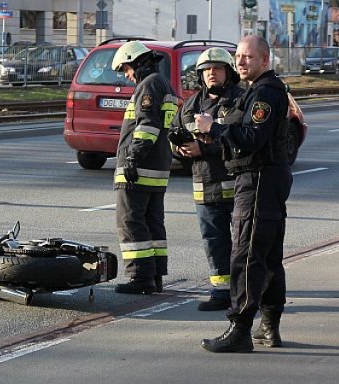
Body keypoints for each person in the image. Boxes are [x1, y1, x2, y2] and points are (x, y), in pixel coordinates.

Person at [195, 35, 293, 352]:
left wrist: (214, 128)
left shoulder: (264, 91)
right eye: (238, 56)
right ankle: (269, 328)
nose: (240, 62)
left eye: (247, 57)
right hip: (266, 178)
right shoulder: (257, 90)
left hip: (259, 179)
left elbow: (252, 137)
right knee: (268, 257)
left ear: (265, 60)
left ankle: (239, 330)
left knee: (247, 256)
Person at [168, 47, 244, 311]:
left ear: (229, 72)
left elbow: (242, 142)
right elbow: (175, 132)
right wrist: (179, 148)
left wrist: (206, 149)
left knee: (245, 243)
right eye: (207, 70)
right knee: (213, 242)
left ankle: (247, 291)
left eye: (218, 68)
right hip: (204, 186)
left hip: (236, 186)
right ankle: (221, 292)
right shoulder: (190, 105)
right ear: (200, 75)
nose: (212, 73)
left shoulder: (240, 101)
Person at [110, 41, 179, 294]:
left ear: (138, 63)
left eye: (126, 68)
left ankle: (140, 277)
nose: (126, 75)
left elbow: (147, 126)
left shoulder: (148, 85)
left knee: (130, 220)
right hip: (157, 168)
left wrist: (132, 159)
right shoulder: (164, 84)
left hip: (140, 169)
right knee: (153, 223)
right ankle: (156, 275)